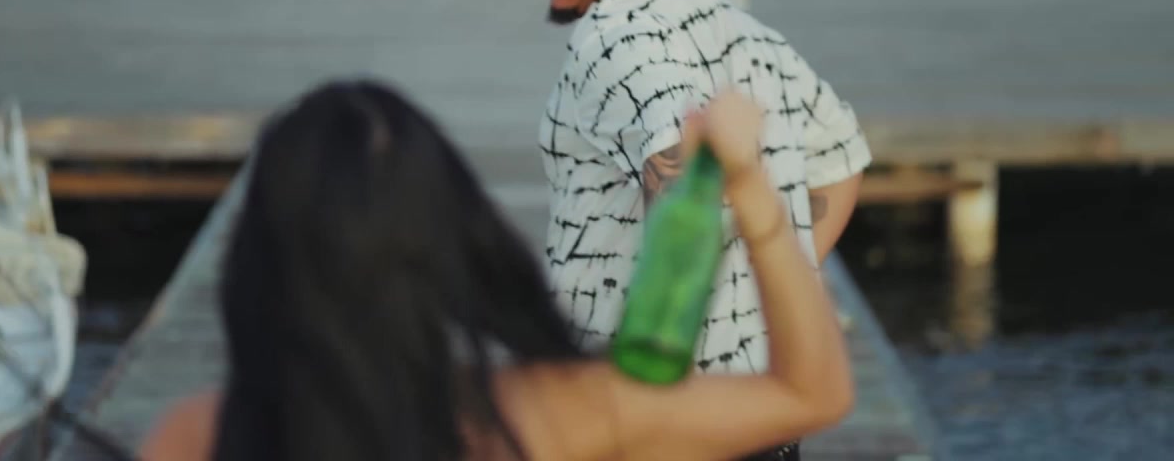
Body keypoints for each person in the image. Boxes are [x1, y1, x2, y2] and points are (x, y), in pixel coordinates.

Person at [141, 80, 852, 461]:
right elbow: (810, 394)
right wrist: (747, 187)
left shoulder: (196, 437)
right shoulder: (552, 416)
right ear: (454, 240)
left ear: (256, 262)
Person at [539, 0, 872, 460]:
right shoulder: (737, 25)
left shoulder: (617, 40)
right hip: (759, 407)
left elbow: (681, 171)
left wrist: (663, 355)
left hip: (654, 421)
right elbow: (840, 158)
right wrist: (766, 293)